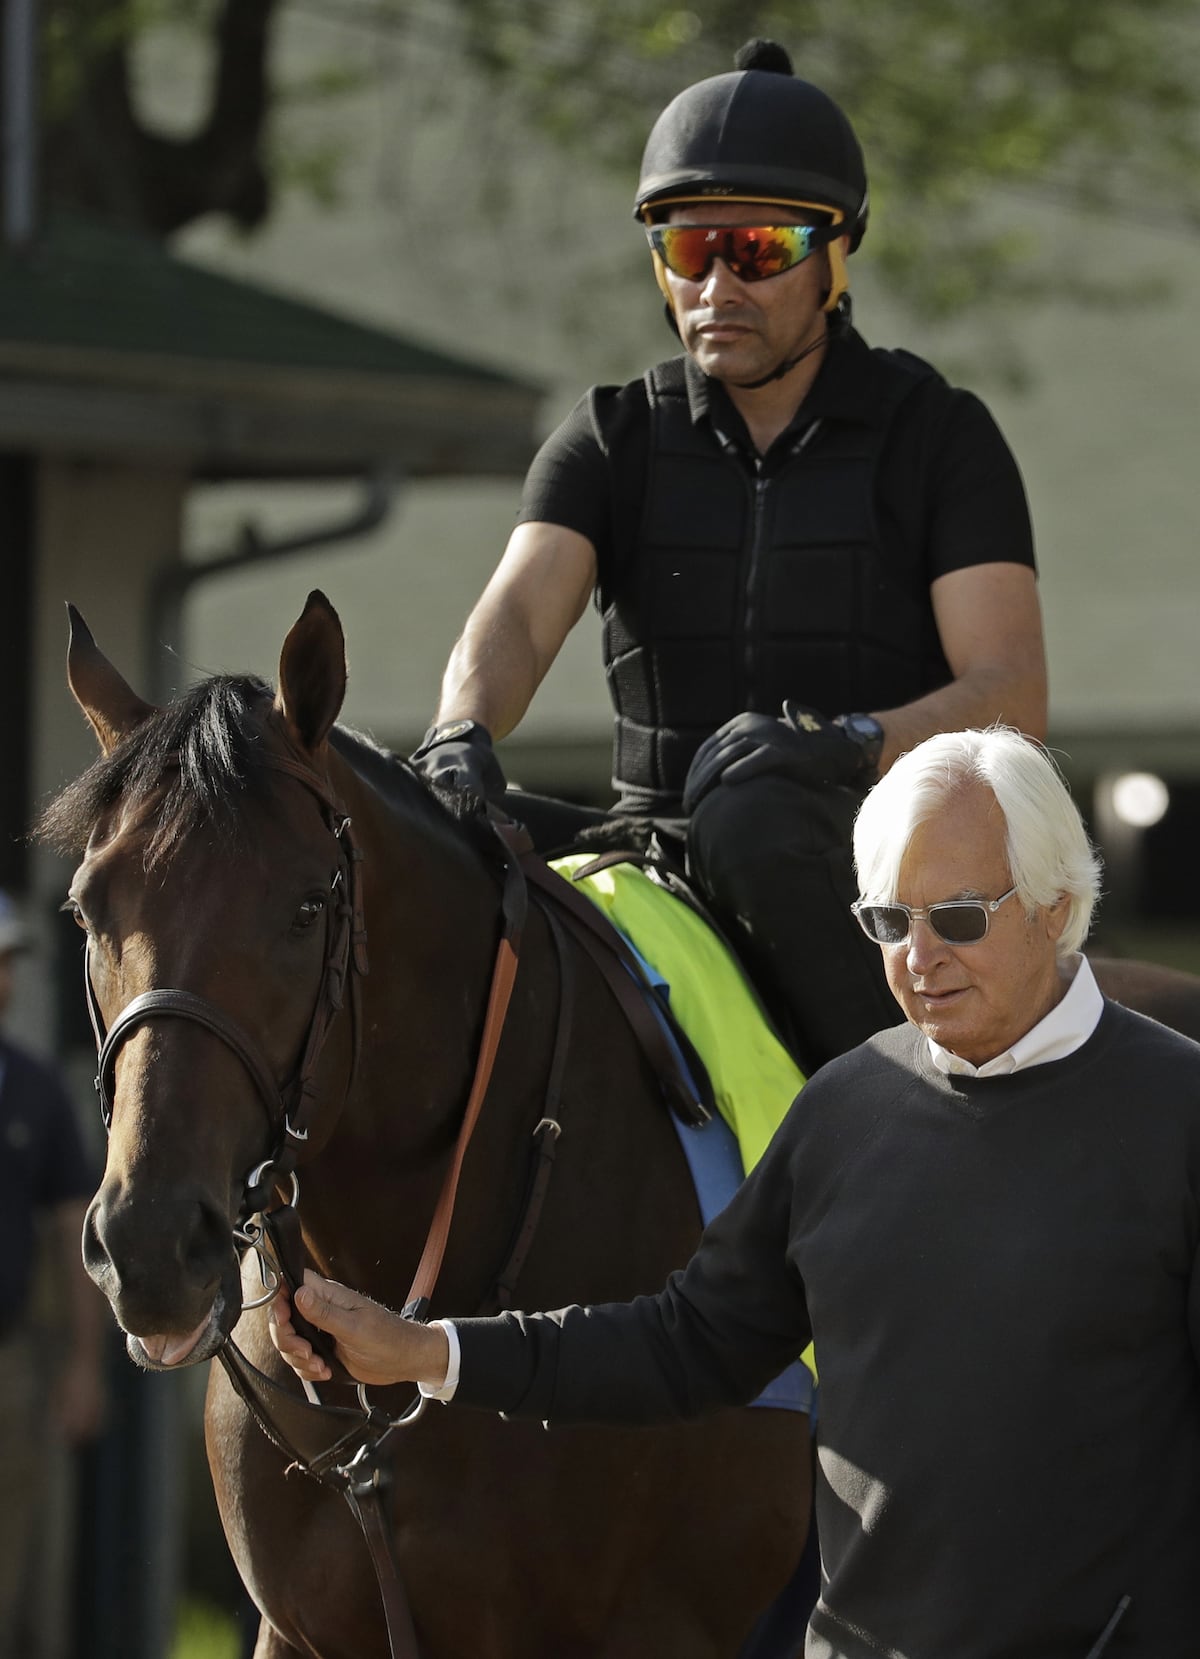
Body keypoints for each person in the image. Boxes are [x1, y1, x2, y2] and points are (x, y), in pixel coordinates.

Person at [273, 728, 1200, 1658]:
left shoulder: (1180, 1117)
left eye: (957, 918)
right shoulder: (843, 1108)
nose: (920, 959)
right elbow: (687, 1343)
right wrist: (431, 1352)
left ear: (1057, 905)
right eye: (888, 921)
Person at [409, 38, 1047, 1072]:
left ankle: (922, 1112)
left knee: (749, 811)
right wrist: (455, 738)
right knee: (403, 828)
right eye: (685, 249)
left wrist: (845, 740)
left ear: (836, 255)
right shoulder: (613, 433)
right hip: (657, 851)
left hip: (878, 850)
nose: (715, 284)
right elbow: (522, 614)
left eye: (755, 250)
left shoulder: (941, 435)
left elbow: (1013, 692)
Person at [0, 892, 106, 1659]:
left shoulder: (35, 1087)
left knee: (13, 1558)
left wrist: (82, 1363)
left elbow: (77, 1227)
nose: (4, 979)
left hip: (10, 1367)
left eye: (7, 964)